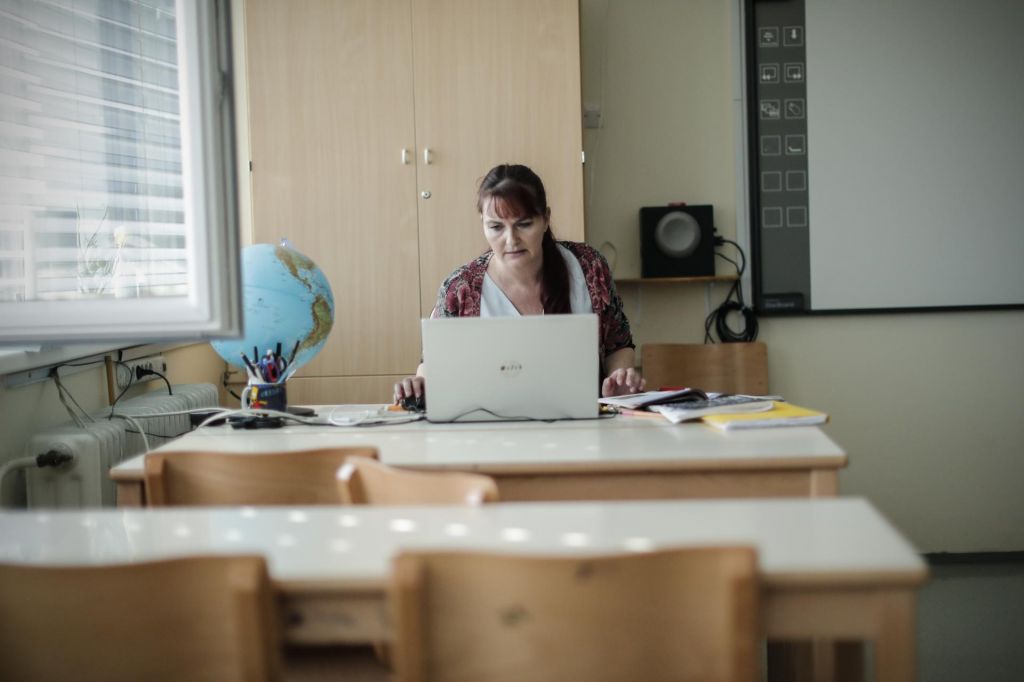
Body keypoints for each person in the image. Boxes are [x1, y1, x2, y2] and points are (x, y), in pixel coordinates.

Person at [395, 163, 645, 404]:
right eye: (496, 227)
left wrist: (619, 379)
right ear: (482, 223)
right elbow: (433, 364)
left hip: (583, 424)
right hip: (489, 431)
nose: (511, 240)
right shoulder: (460, 289)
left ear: (545, 219)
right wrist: (419, 385)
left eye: (524, 224)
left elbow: (618, 344)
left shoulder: (588, 267)